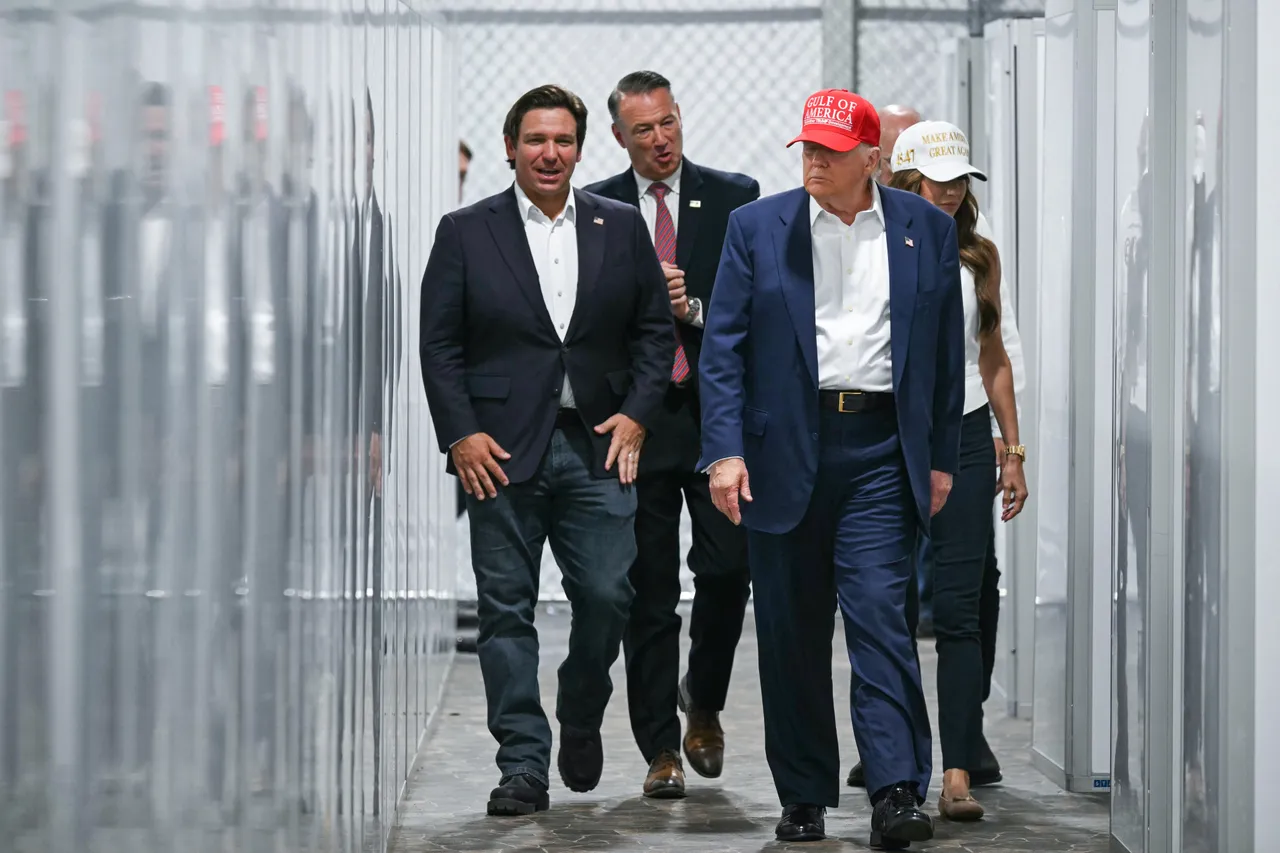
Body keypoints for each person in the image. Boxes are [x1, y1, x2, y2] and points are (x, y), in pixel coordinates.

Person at [698, 89, 965, 847]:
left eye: (830, 149)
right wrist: (724, 452)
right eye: (806, 146)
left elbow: (944, 357)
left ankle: (895, 791)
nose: (812, 158)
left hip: (881, 450)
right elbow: (723, 352)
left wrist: (941, 458)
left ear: (871, 158)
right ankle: (806, 793)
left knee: (882, 616)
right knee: (791, 630)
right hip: (784, 449)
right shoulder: (757, 227)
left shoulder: (924, 230)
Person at [419, 84, 674, 817]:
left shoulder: (618, 226)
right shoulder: (466, 230)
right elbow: (440, 343)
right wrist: (460, 432)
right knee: (506, 610)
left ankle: (582, 701)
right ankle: (522, 764)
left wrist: (636, 417)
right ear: (510, 148)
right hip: (498, 449)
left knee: (607, 594)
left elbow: (655, 334)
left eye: (562, 140)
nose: (550, 152)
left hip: (596, 444)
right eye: (535, 139)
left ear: (581, 148)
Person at [583, 70, 759, 799]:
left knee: (725, 570)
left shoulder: (734, 198)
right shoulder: (596, 208)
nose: (659, 140)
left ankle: (704, 699)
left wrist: (693, 308)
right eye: (643, 129)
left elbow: (755, 315)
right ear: (619, 136)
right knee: (648, 590)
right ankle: (660, 746)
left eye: (668, 124)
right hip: (639, 420)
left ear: (681, 119)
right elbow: (585, 327)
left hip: (715, 413)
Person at [886, 120, 1029, 820]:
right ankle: (898, 760)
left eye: (957, 179)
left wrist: (1013, 448)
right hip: (893, 432)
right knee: (887, 605)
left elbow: (992, 356)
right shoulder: (878, 248)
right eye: (936, 178)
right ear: (908, 179)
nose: (949, 190)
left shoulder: (980, 256)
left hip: (969, 432)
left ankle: (957, 768)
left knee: (961, 605)